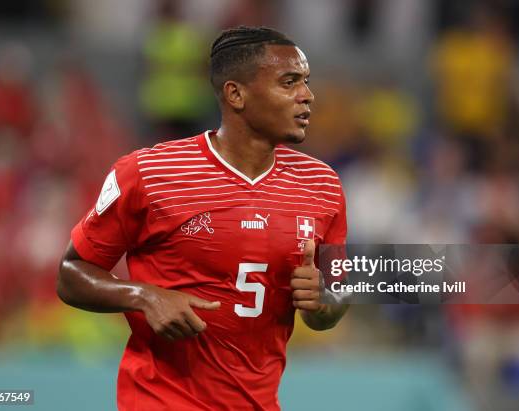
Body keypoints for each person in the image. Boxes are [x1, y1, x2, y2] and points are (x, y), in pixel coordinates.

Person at [57, 26, 348, 411]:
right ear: (236, 94)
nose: (307, 96)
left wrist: (325, 298)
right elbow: (71, 273)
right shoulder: (149, 172)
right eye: (289, 82)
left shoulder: (322, 184)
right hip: (160, 401)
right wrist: (143, 296)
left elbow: (333, 301)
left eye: (306, 82)